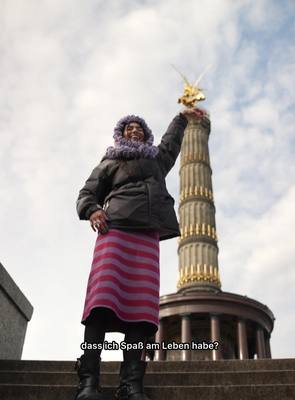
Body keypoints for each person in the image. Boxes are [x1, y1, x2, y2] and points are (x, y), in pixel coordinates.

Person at [75, 108, 201, 400]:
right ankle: (88, 381)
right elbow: (87, 193)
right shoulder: (110, 160)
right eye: (129, 128)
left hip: (147, 235)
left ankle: (131, 383)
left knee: (141, 312)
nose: (134, 131)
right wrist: (92, 210)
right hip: (115, 230)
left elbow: (171, 144)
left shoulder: (157, 160)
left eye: (139, 129)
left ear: (146, 134)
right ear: (121, 133)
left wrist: (182, 118)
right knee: (100, 303)